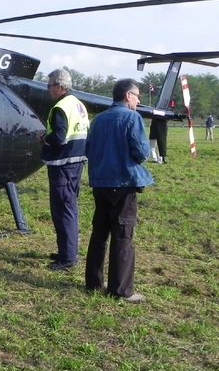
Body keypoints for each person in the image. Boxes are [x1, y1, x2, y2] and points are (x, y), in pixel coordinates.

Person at [84, 79, 154, 303]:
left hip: (100, 183)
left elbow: (89, 149)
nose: (139, 100)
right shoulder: (132, 117)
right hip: (123, 184)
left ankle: (94, 282)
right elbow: (141, 151)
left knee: (99, 234)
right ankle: (121, 289)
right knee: (123, 235)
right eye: (137, 96)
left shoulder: (98, 120)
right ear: (127, 96)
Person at [35, 68, 89, 270]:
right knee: (70, 208)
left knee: (62, 210)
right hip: (76, 163)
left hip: (62, 165)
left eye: (49, 86)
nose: (47, 90)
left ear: (59, 86)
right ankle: (68, 250)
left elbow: (59, 137)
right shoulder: (78, 104)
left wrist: (43, 138)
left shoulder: (60, 107)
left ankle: (67, 258)